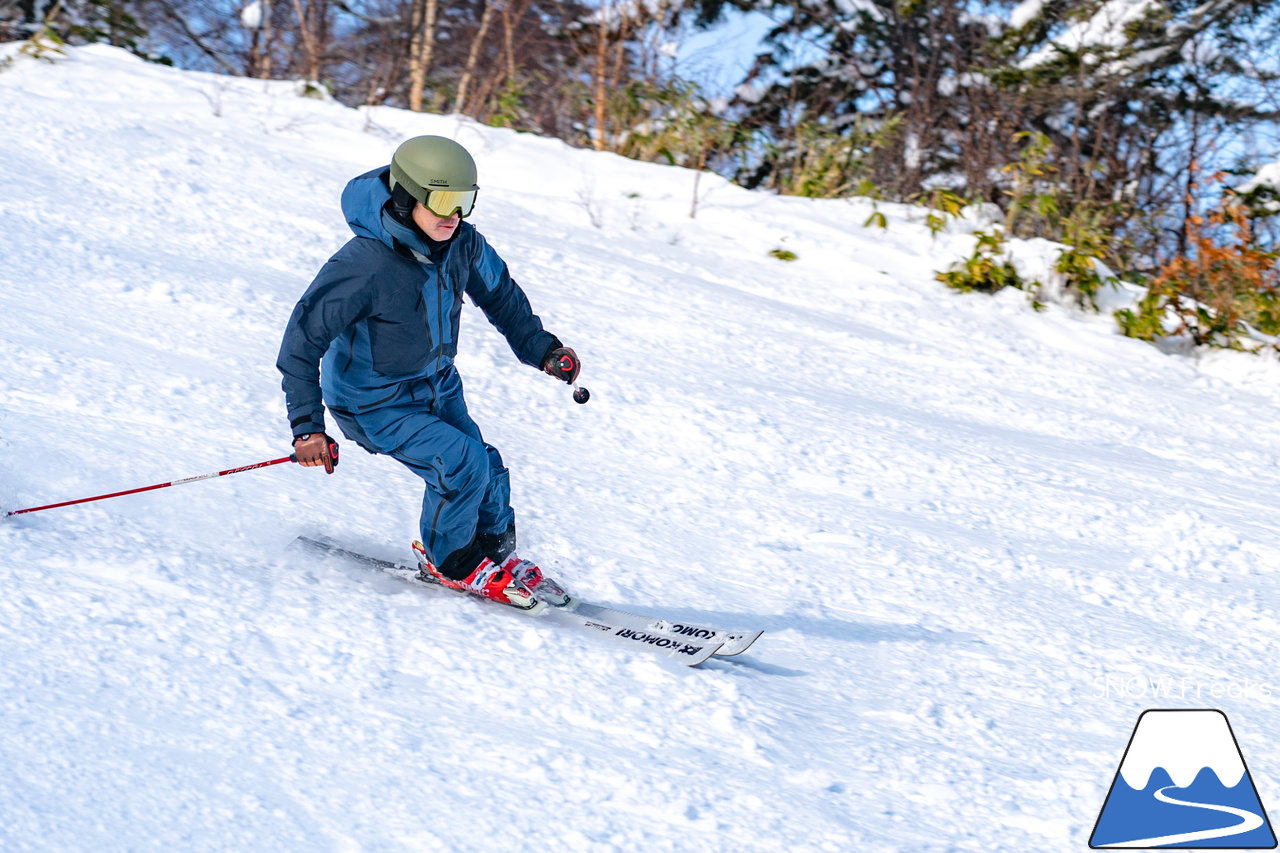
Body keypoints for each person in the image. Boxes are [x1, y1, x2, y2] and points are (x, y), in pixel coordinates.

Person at [277, 136, 580, 614]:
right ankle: (453, 563)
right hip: (371, 400)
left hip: (437, 383)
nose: (453, 215)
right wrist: (307, 428)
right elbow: (300, 344)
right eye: (442, 201)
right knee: (460, 464)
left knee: (485, 462)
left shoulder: (463, 244)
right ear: (405, 197)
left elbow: (502, 297)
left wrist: (542, 349)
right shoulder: (364, 265)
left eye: (464, 201)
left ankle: (495, 557)